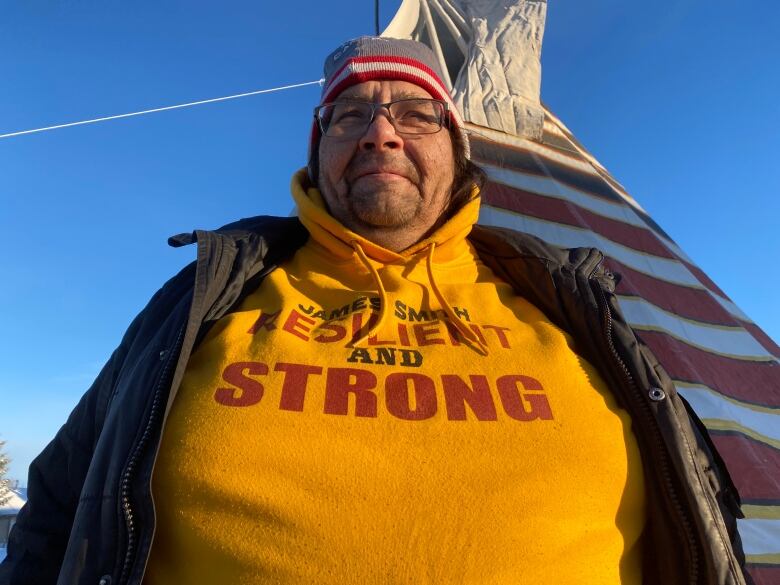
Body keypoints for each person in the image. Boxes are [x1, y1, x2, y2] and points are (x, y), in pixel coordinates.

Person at [0, 37, 751, 585]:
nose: (381, 131)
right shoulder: (198, 303)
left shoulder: (577, 309)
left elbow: (702, 521)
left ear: (458, 150)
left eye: (417, 114)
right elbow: (60, 503)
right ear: (317, 149)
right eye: (350, 114)